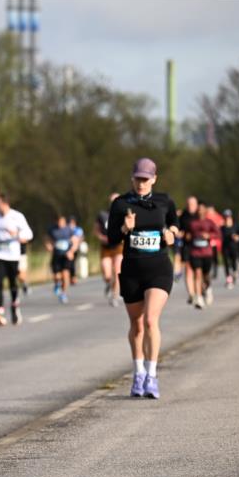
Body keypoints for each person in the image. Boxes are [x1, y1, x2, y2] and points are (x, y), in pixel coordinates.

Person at [106, 158, 179, 400]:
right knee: (136, 326)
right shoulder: (120, 204)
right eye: (138, 178)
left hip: (158, 268)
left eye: (145, 179)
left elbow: (175, 225)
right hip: (132, 271)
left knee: (150, 321)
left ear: (154, 179)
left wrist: (172, 234)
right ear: (132, 178)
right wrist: (125, 229)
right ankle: (138, 373)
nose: (141, 183)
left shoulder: (164, 201)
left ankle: (152, 375)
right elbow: (112, 239)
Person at [0, 192, 33, 326]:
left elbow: (29, 233)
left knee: (13, 282)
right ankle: (0, 309)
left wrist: (18, 234)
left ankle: (14, 307)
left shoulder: (17, 216)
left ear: (5, 203)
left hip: (13, 254)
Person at [184, 202, 221, 309]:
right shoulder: (192, 223)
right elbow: (187, 234)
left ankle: (208, 289)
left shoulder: (209, 222)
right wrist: (187, 236)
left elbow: (218, 234)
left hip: (207, 253)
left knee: (206, 275)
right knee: (197, 273)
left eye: (202, 209)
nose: (200, 211)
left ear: (205, 211)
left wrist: (209, 235)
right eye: (198, 209)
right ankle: (199, 298)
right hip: (195, 252)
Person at [96, 193, 123, 306]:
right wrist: (102, 238)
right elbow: (96, 230)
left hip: (118, 247)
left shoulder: (124, 214)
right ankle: (108, 283)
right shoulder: (102, 215)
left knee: (117, 272)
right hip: (106, 247)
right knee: (107, 274)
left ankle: (114, 296)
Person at [46, 214, 78, 304]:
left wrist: (71, 251)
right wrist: (48, 246)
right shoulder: (52, 230)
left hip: (66, 256)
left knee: (65, 275)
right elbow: (47, 240)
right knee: (56, 276)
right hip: (56, 255)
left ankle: (63, 293)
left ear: (64, 221)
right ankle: (57, 284)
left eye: (62, 221)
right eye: (58, 222)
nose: (60, 223)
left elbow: (75, 241)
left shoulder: (69, 230)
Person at [176, 196, 199, 301]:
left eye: (193, 204)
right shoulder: (183, 216)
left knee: (198, 271)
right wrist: (180, 233)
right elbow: (178, 228)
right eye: (189, 204)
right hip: (187, 246)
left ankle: (200, 290)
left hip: (199, 247)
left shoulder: (200, 215)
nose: (190, 206)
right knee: (188, 269)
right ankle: (191, 294)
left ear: (196, 205)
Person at [220, 210, 239, 289]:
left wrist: (236, 237)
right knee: (227, 264)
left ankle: (235, 273)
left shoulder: (236, 226)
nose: (227, 219)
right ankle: (229, 280)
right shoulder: (222, 228)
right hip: (225, 248)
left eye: (228, 217)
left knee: (234, 262)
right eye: (225, 217)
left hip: (234, 248)